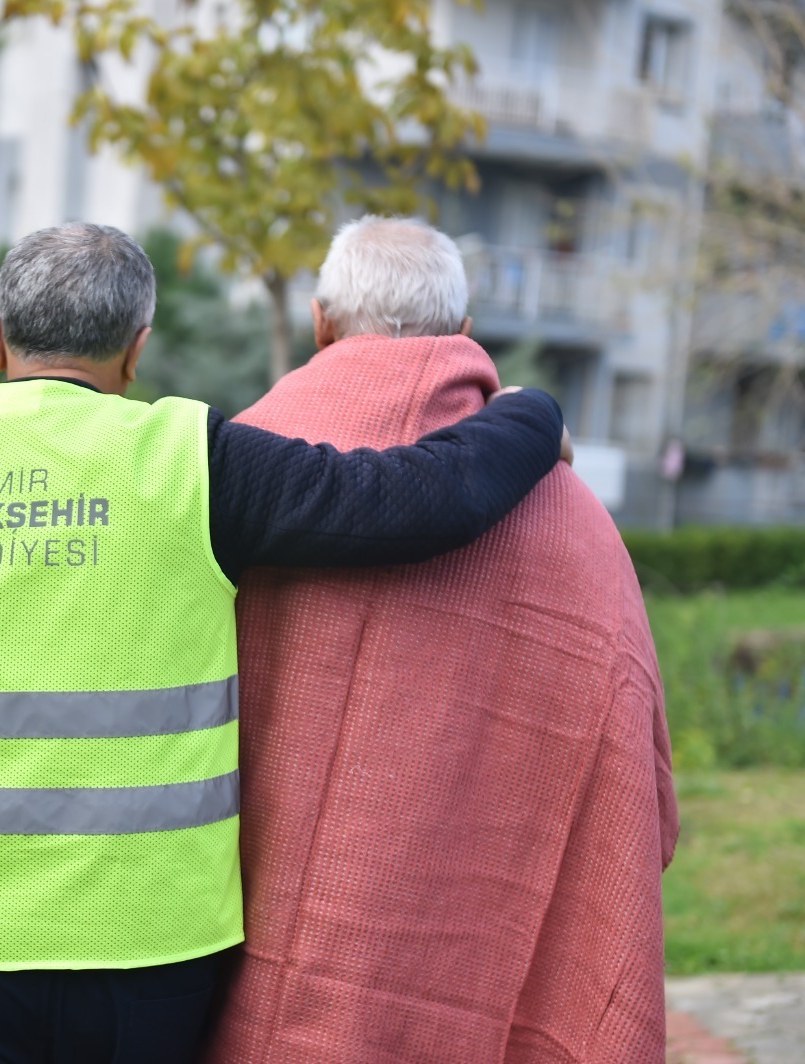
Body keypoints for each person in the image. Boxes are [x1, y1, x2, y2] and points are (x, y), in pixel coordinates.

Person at [0, 222, 569, 1064]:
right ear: (136, 349)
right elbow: (417, 500)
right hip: (145, 946)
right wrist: (530, 414)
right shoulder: (188, 463)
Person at [204, 217, 679, 1064]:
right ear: (463, 336)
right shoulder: (577, 525)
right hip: (464, 985)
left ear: (320, 321)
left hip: (226, 959)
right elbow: (633, 767)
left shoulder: (232, 468)